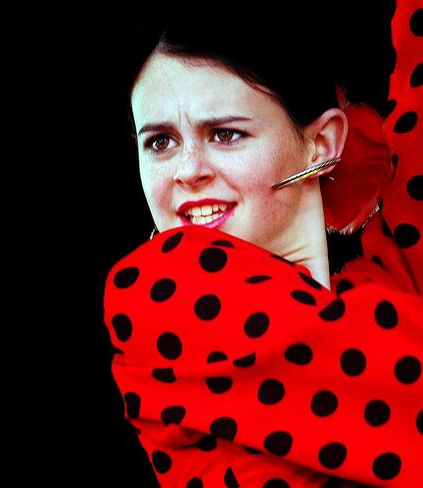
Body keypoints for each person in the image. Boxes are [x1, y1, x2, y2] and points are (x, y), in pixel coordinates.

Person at [104, 3, 422, 487]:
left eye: (225, 134)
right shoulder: (158, 291)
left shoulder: (384, 292)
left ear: (322, 143)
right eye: (160, 142)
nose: (188, 171)